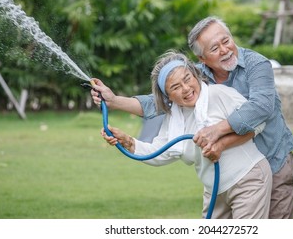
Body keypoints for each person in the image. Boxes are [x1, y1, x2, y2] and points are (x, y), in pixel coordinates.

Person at [91, 16, 293, 219]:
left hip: (271, 156)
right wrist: (114, 101)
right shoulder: (195, 77)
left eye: (226, 41)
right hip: (221, 179)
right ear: (202, 59)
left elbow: (261, 109)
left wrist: (217, 134)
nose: (224, 50)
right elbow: (159, 102)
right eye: (214, 48)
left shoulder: (256, 65)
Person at [100, 50, 272, 219]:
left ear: (195, 75)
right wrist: (128, 142)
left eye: (187, 79)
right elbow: (158, 152)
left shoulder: (218, 94)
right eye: (175, 87)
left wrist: (221, 144)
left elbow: (258, 123)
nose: (186, 88)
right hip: (214, 190)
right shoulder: (174, 119)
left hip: (248, 179)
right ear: (167, 96)